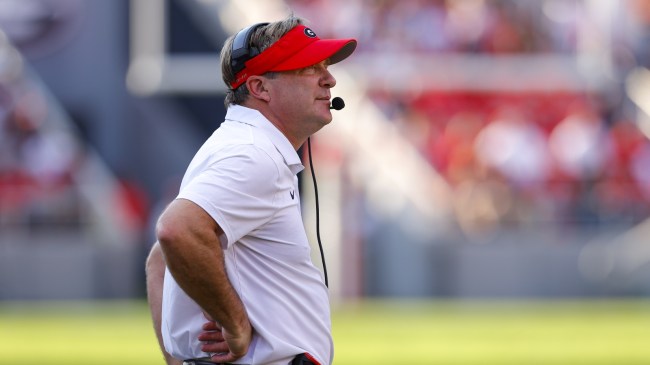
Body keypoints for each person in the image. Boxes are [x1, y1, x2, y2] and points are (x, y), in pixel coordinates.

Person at [145, 15, 357, 365]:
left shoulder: (244, 144)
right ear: (260, 88)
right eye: (308, 67)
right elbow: (176, 230)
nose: (329, 78)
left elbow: (159, 262)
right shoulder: (255, 154)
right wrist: (236, 324)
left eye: (325, 66)